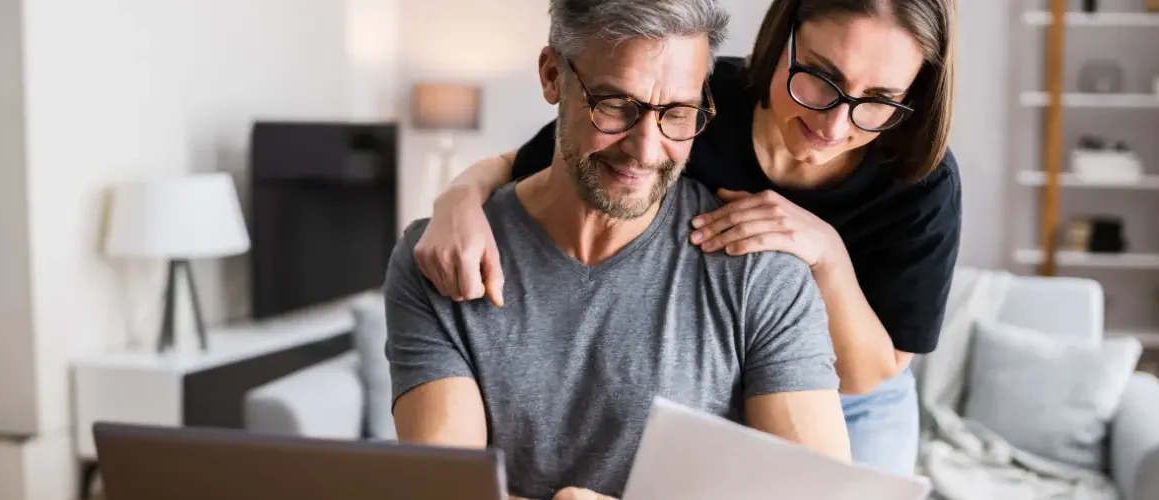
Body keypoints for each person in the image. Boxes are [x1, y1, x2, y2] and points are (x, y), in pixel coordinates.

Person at [411, 0, 960, 475]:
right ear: (783, 38)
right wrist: (457, 198)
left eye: (879, 100)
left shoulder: (921, 178)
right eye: (820, 77)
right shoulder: (692, 96)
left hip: (858, 395)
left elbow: (871, 372)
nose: (836, 125)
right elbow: (535, 161)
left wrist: (827, 255)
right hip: (743, 366)